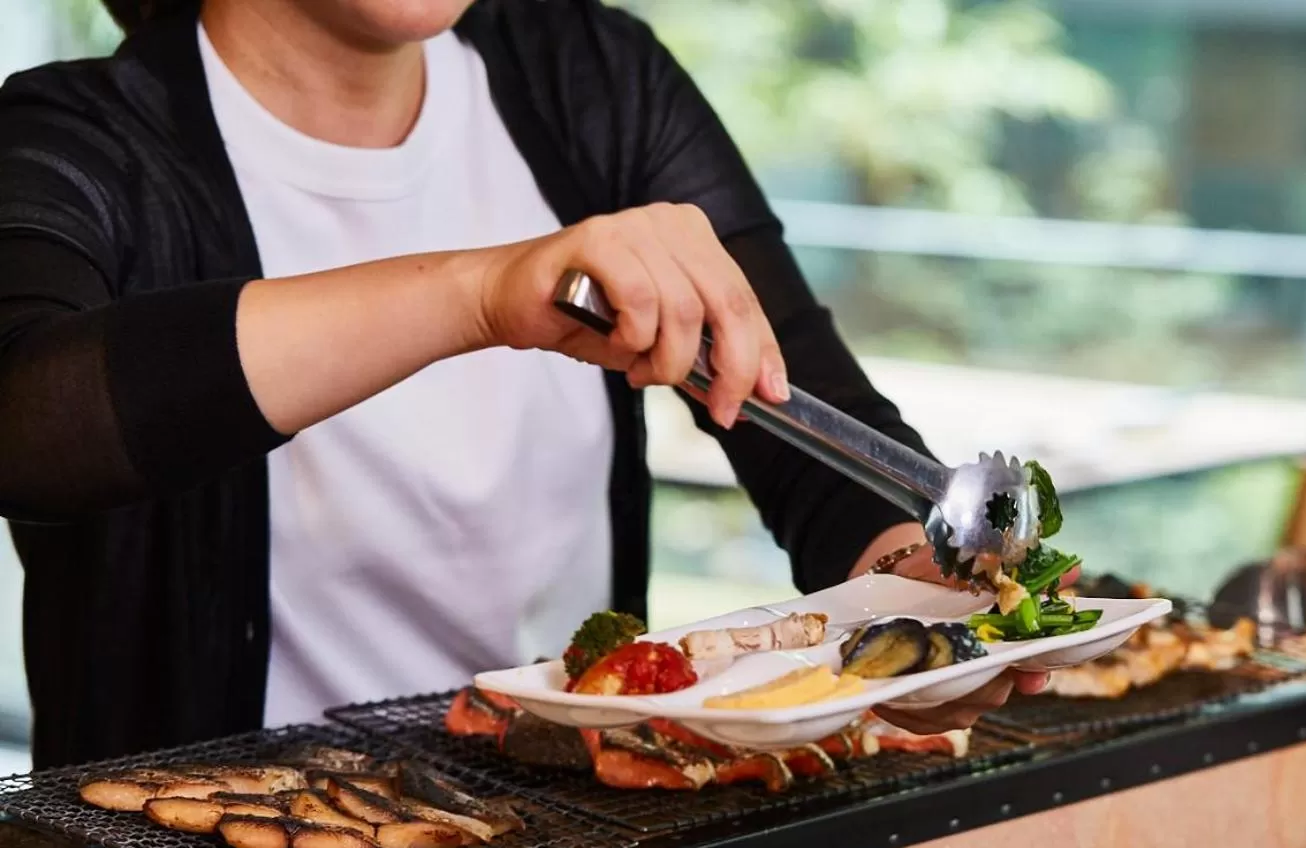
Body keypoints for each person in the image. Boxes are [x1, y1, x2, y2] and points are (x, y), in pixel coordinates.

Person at [0, 0, 1046, 769]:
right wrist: (478, 293)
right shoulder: (72, 138)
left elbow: (802, 416)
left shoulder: (592, 78)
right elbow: (28, 423)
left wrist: (919, 602)